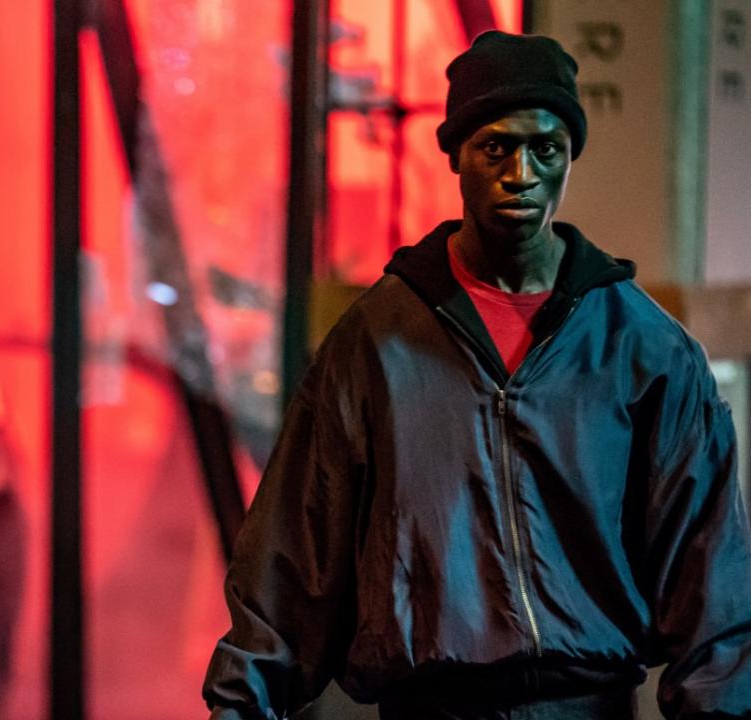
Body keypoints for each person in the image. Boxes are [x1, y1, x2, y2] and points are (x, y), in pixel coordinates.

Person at [202, 30, 751, 720]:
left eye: (545, 148)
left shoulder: (643, 351)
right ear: (456, 155)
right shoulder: (377, 344)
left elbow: (713, 590)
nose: (521, 173)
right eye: (496, 147)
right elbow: (291, 561)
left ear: (569, 157)